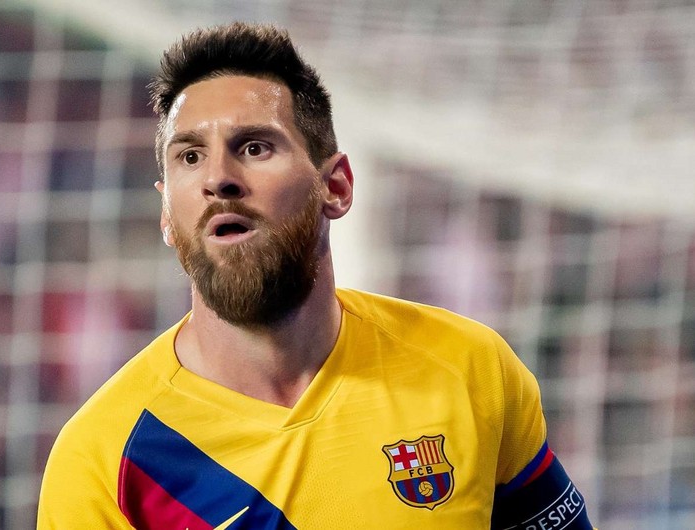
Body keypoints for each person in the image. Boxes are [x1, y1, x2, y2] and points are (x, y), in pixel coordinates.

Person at [37, 22, 594, 529]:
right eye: (190, 157)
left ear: (337, 187)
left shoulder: (470, 368)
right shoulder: (104, 459)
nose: (218, 178)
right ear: (166, 213)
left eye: (254, 147)